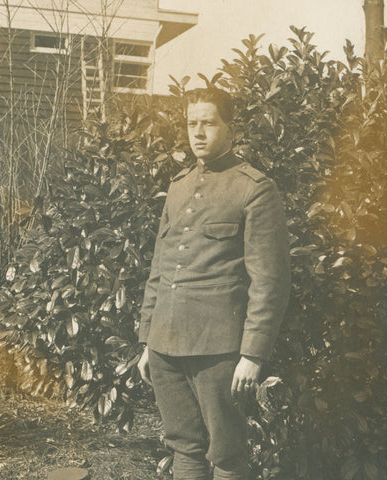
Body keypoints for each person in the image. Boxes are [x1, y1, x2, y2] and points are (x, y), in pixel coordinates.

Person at [137, 87, 290, 480]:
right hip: (165, 345)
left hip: (218, 350)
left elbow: (269, 281)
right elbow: (160, 267)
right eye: (192, 124)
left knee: (226, 455)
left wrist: (253, 354)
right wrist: (147, 341)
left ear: (230, 127)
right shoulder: (179, 186)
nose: (198, 133)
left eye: (208, 123)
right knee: (184, 447)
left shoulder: (253, 188)